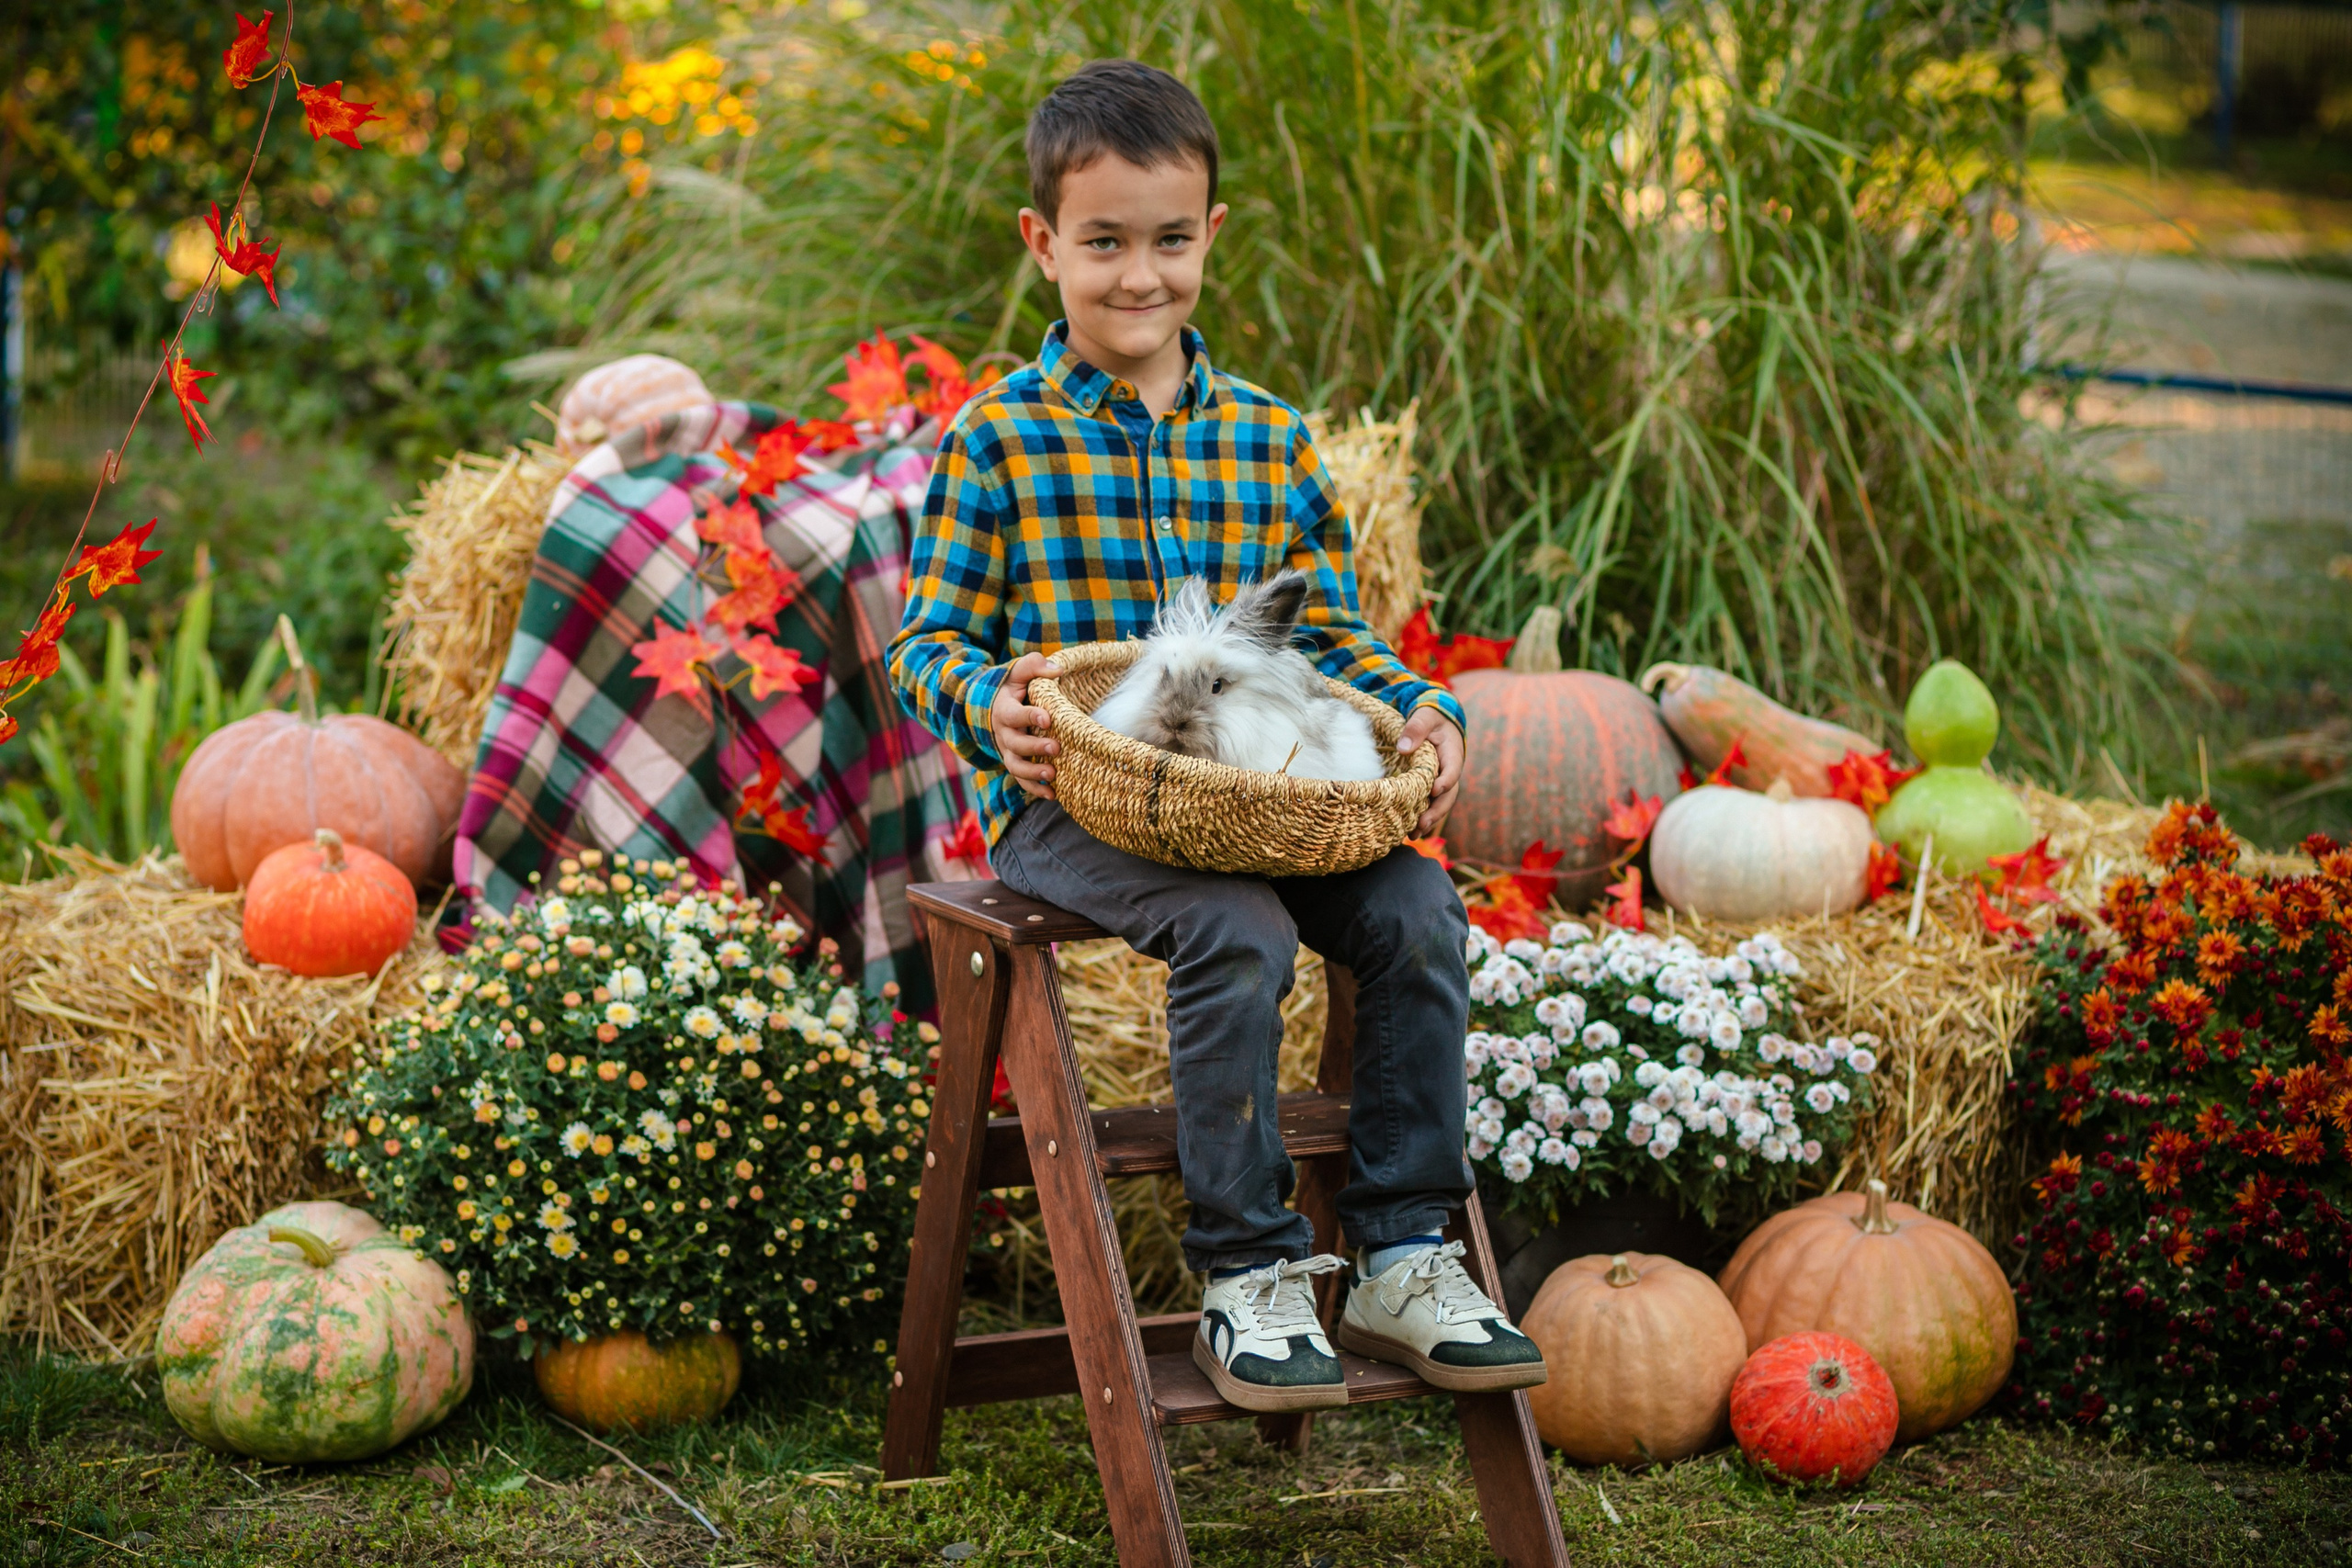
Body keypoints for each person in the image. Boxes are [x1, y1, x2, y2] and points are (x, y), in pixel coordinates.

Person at [888, 59, 1546, 1413]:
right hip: (1074, 805)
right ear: (1044, 246)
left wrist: (1423, 706)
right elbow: (926, 641)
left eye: (1170, 242)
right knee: (1235, 928)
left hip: (1261, 794)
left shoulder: (1269, 439)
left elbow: (1338, 645)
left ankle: (1403, 1250)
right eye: (1106, 244)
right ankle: (1247, 1272)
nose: (1141, 277)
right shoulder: (998, 442)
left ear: (1212, 237)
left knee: (1419, 905)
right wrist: (987, 706)